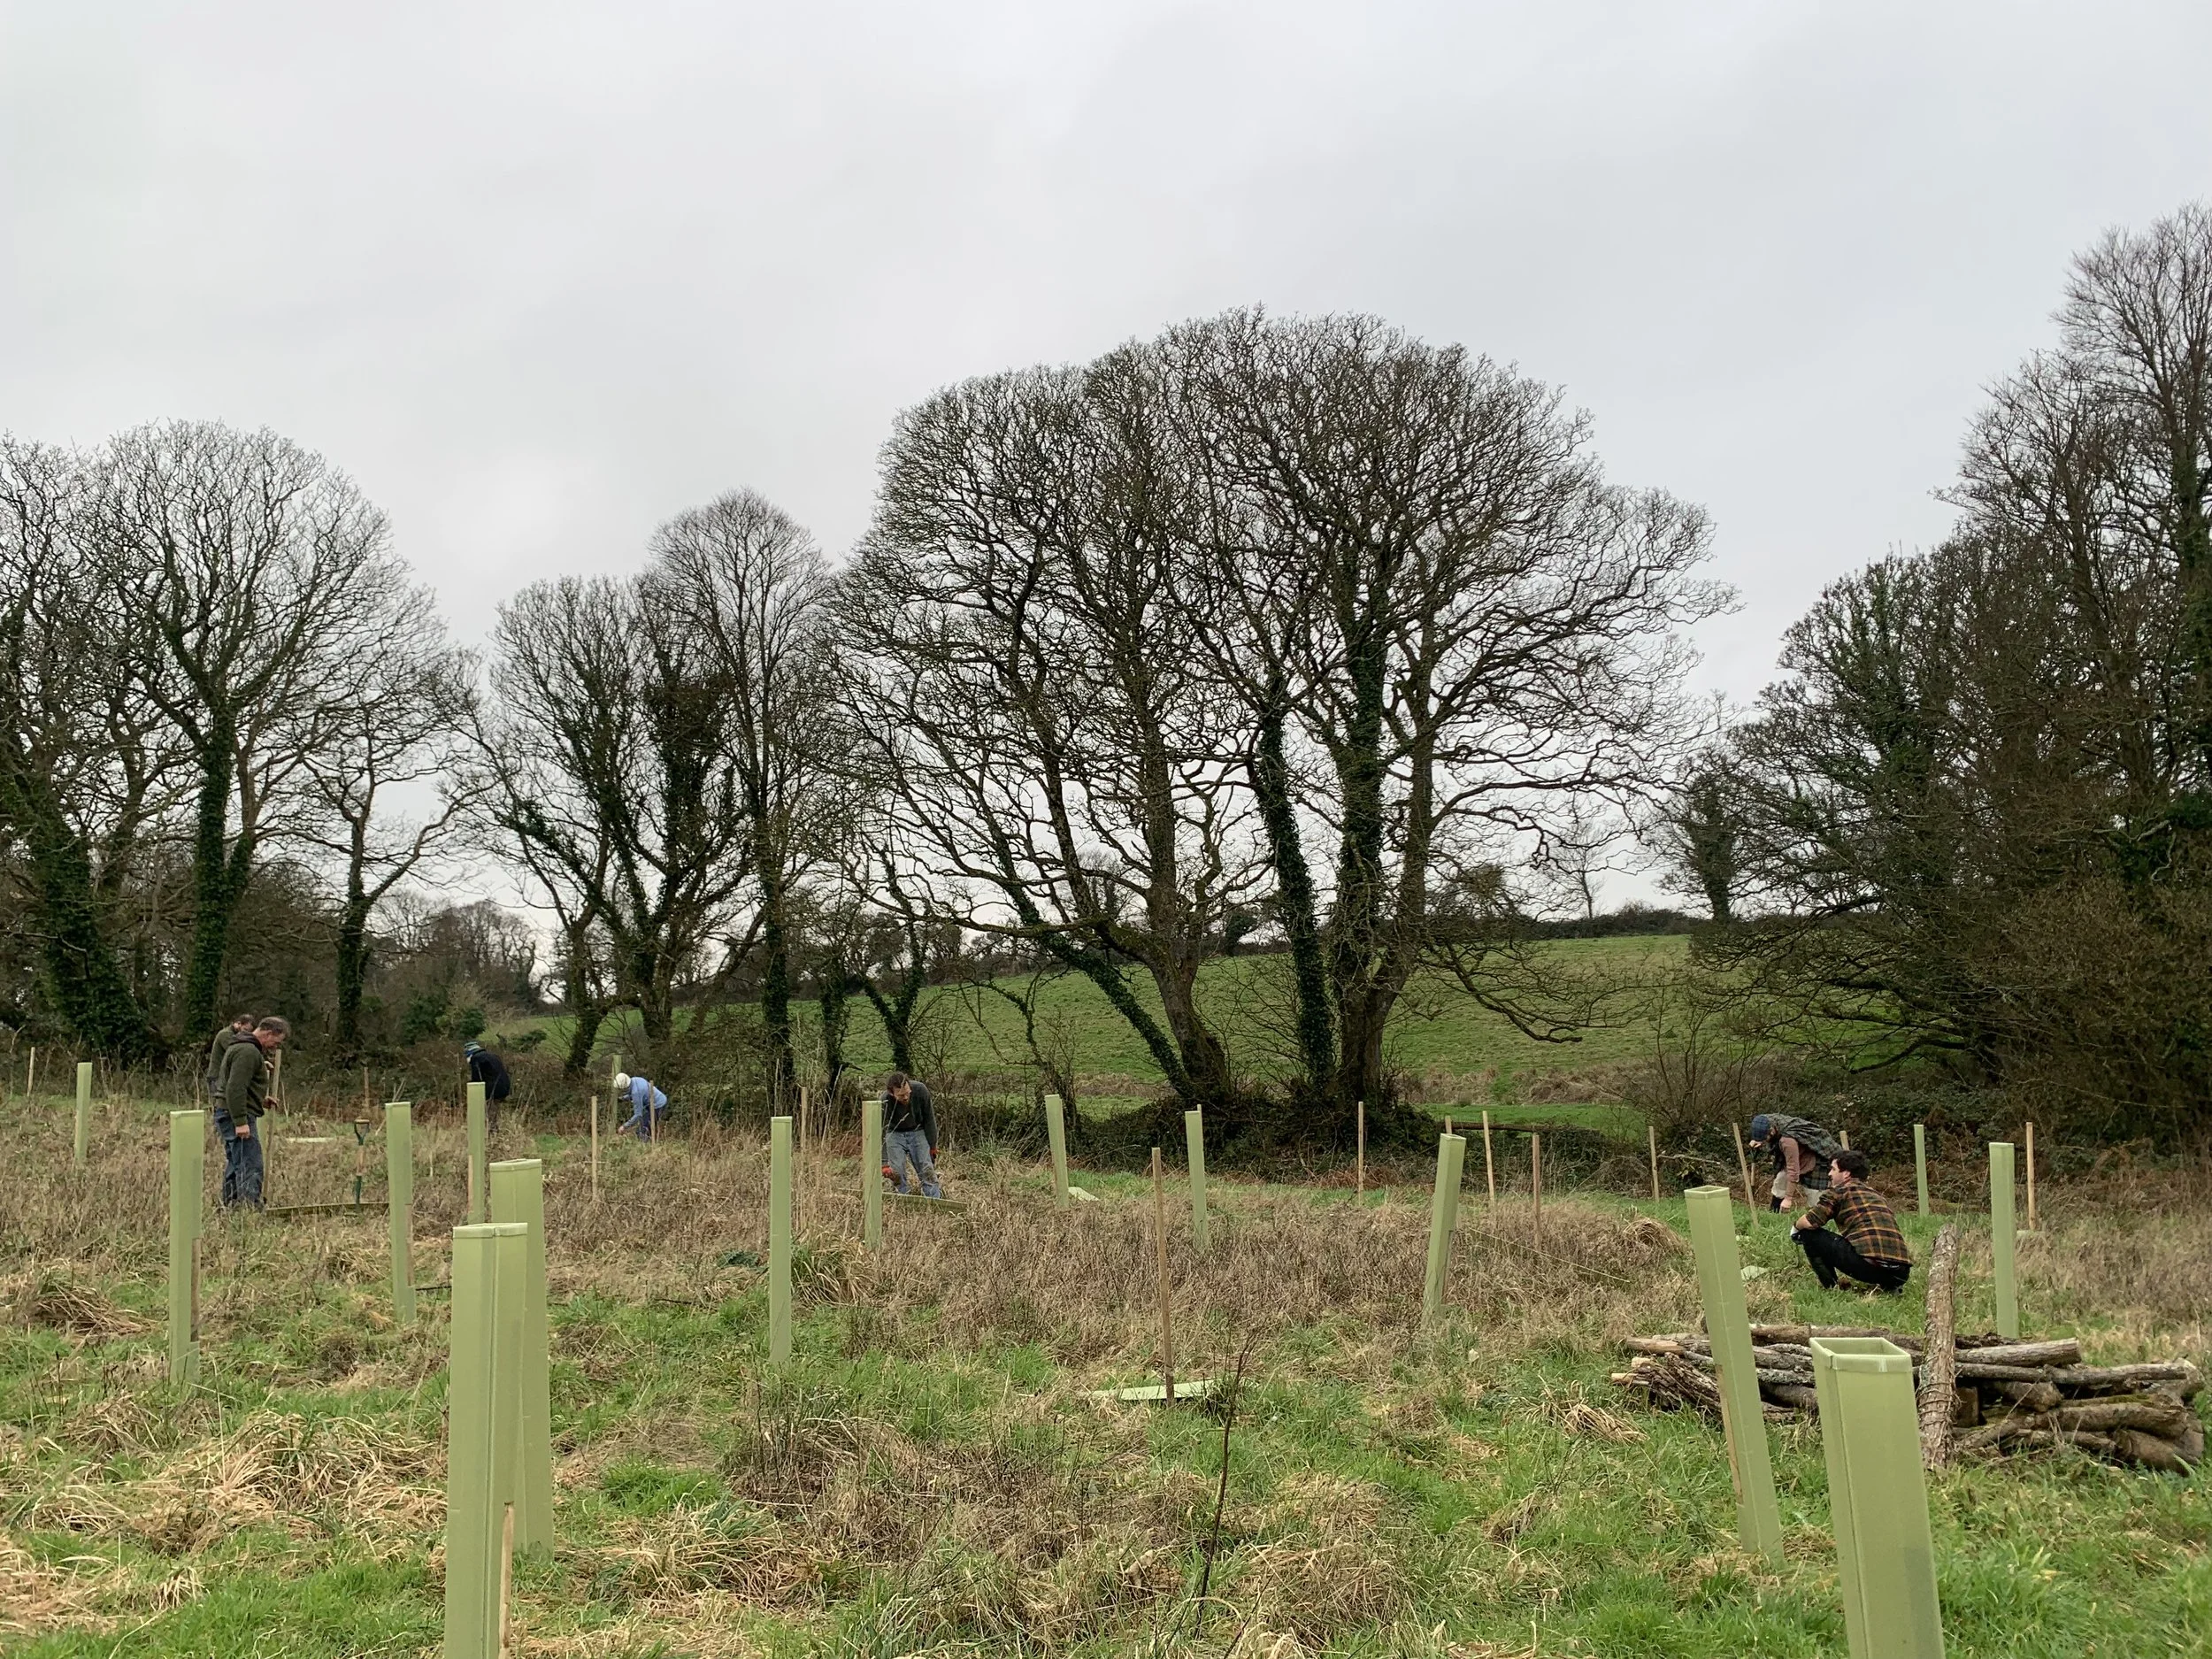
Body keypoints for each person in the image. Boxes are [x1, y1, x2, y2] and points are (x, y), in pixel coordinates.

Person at [1793, 1148, 1913, 1292]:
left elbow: (1811, 1222)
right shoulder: (1877, 1196)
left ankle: (1831, 1287)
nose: (1829, 1174)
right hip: (1901, 1272)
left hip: (1868, 1266)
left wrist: (1795, 1229)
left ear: (1846, 1173)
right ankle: (1890, 1287)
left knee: (1808, 1234)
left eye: (1833, 1169)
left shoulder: (1839, 1191)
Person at [214, 1016, 288, 1209]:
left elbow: (242, 1085)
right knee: (250, 1164)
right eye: (276, 1041)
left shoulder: (243, 1047)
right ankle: (249, 1210)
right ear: (268, 1033)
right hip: (236, 1115)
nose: (275, 1046)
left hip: (231, 1111)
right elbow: (235, 1087)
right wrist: (240, 1121)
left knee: (236, 1162)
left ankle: (231, 1206)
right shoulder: (248, 1052)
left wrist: (260, 1100)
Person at [1749, 1111, 1844, 1211]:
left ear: (1771, 1131)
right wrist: (1758, 1141)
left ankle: (1820, 1219)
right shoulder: (1767, 1120)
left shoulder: (1787, 1141)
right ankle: (1774, 1214)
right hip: (1797, 1156)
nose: (1765, 1140)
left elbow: (1793, 1170)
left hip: (1814, 1163)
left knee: (1815, 1198)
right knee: (1780, 1181)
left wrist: (1788, 1199)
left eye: (1765, 1138)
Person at [882, 1070, 941, 1199]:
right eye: (901, 1095)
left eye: (907, 1093)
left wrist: (932, 1146)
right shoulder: (884, 1101)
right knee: (897, 1171)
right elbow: (881, 1132)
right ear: (891, 1093)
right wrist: (884, 1163)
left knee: (926, 1168)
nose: (905, 1097)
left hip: (917, 1130)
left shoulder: (921, 1090)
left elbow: (929, 1119)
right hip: (894, 1133)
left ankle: (934, 1201)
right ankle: (902, 1200)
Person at [463, 1040, 513, 1131]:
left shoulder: (476, 1058)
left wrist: (475, 1093)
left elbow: (476, 1078)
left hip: (493, 1089)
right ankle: (493, 1132)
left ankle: (491, 1133)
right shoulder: (492, 1056)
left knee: (489, 1112)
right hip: (504, 1086)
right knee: (494, 1110)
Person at [204, 1013, 254, 1102]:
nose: (246, 1033)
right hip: (217, 1076)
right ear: (238, 1024)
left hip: (224, 1076)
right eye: (245, 1029)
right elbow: (236, 1052)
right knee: (220, 1105)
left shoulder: (236, 1036)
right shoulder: (226, 1035)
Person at [613, 1071, 667, 1141]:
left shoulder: (636, 1092)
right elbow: (637, 1093)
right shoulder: (635, 1080)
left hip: (658, 1105)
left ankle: (647, 1147)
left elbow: (638, 1115)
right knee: (647, 1124)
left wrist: (624, 1126)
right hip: (656, 1101)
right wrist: (624, 1098)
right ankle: (652, 1140)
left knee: (642, 1130)